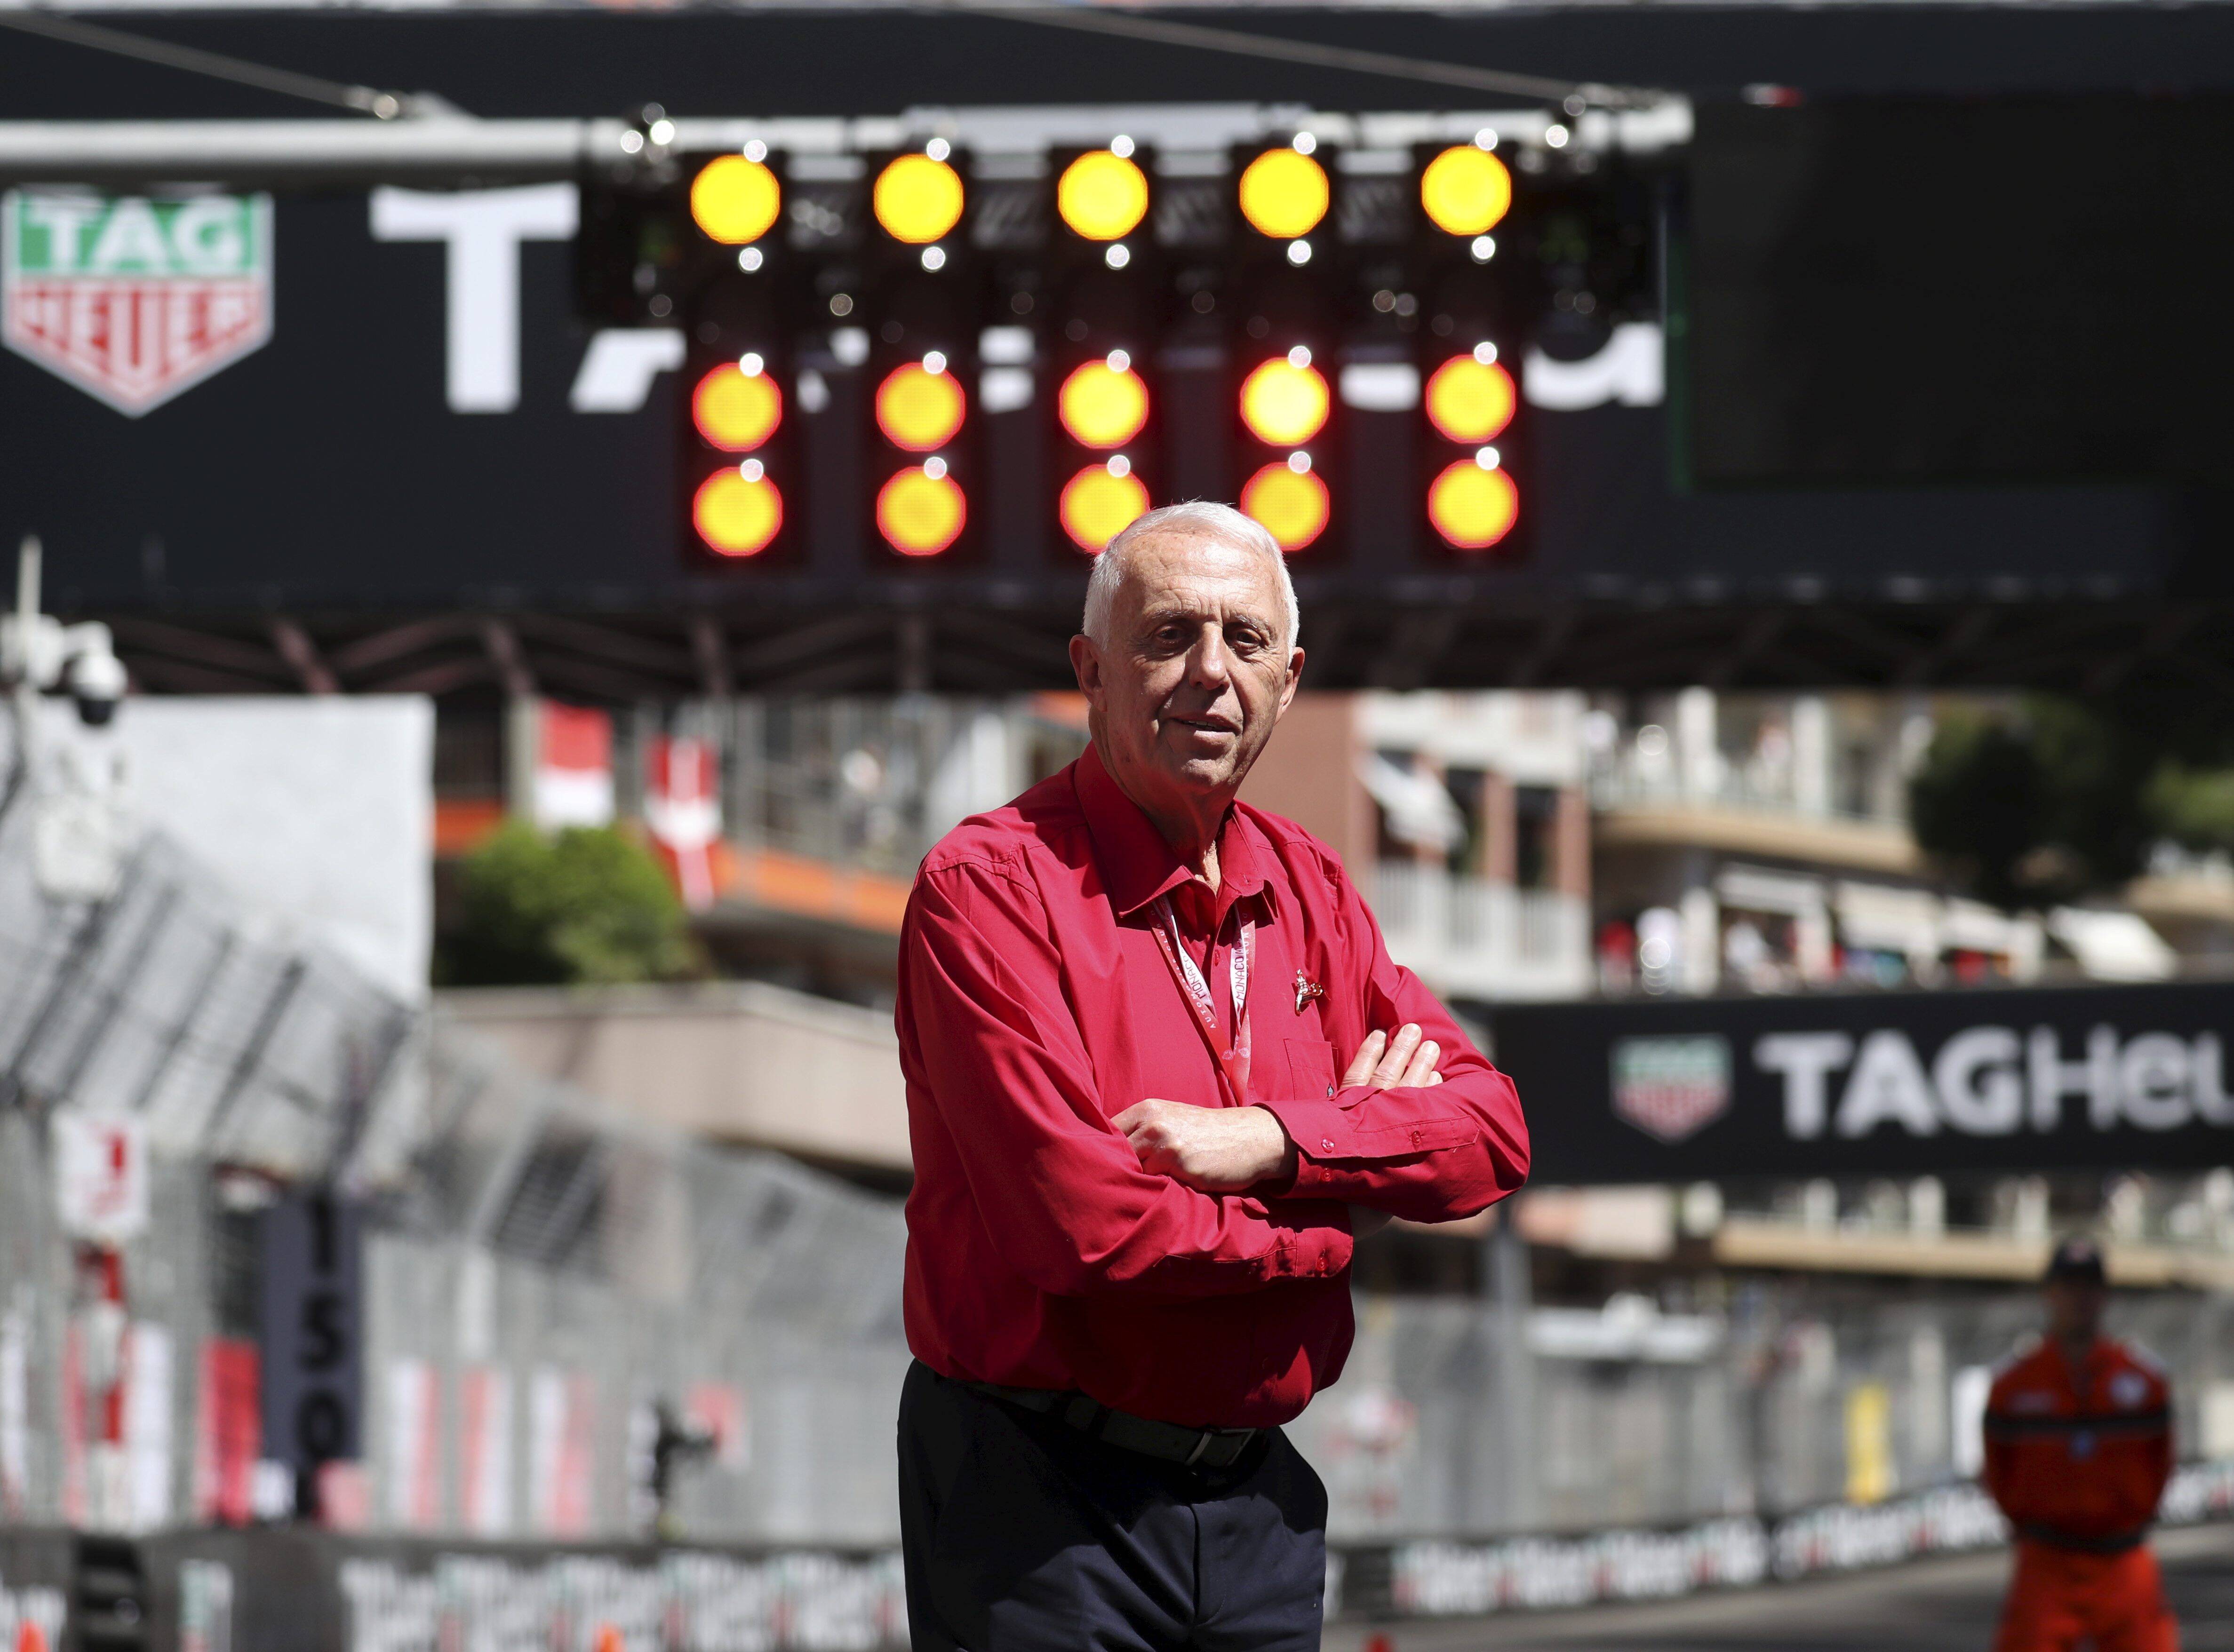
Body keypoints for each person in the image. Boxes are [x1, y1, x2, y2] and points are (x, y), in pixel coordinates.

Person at [894, 502, 1530, 1651]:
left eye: (1244, 641)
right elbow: (1080, 1228)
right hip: (1034, 1494)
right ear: (1090, 669)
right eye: (1168, 633)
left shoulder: (1312, 885)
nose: (1208, 672)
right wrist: (1348, 1206)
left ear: (1288, 682)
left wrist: (1279, 1144)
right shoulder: (987, 886)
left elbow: (1492, 1127)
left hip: (1258, 1506)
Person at [1982, 1234, 2178, 1652]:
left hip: (2123, 1559)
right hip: (2046, 1563)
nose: (2080, 1299)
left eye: (2090, 1287)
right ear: (2049, 1294)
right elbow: (1997, 1468)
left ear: (2105, 1296)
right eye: (2069, 1287)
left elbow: (2162, 1460)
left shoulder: (2144, 1381)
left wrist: (2133, 1512)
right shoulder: (2014, 1385)